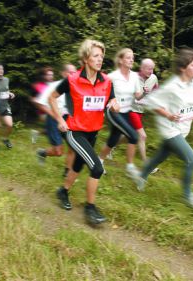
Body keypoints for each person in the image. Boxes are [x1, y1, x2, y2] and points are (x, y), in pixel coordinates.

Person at [48, 39, 119, 224]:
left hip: (93, 131)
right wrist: (58, 120)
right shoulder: (72, 80)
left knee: (78, 166)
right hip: (74, 131)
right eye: (96, 56)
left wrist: (114, 104)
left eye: (102, 56)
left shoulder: (107, 81)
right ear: (86, 58)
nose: (100, 59)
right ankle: (90, 208)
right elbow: (52, 98)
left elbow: (112, 100)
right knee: (96, 167)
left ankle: (62, 191)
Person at [134, 48, 193, 208]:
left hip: (183, 129)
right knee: (191, 160)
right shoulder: (173, 86)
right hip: (169, 129)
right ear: (183, 68)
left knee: (160, 156)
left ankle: (141, 176)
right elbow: (152, 102)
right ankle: (188, 196)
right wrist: (168, 115)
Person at [99, 48, 141, 178]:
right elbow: (102, 93)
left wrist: (145, 92)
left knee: (113, 139)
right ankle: (130, 167)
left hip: (126, 111)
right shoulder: (112, 77)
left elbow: (138, 95)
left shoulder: (135, 76)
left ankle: (99, 161)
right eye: (128, 57)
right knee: (134, 136)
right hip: (113, 111)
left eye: (132, 58)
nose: (131, 60)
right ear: (121, 60)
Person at [35, 63, 77, 177]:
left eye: (75, 72)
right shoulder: (54, 86)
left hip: (69, 118)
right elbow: (41, 104)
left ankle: (67, 172)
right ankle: (42, 152)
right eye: (71, 72)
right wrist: (55, 116)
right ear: (64, 73)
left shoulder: (76, 87)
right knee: (58, 152)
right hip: (54, 119)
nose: (74, 75)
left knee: (73, 146)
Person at [129, 58, 159, 173]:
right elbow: (132, 95)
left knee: (130, 136)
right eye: (148, 69)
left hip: (140, 111)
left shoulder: (154, 78)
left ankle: (111, 145)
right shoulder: (133, 78)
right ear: (141, 68)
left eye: (152, 69)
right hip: (130, 109)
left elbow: (156, 91)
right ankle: (147, 165)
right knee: (142, 136)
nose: (151, 71)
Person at [30, 67, 54, 143]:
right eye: (48, 75)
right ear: (44, 76)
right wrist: (39, 104)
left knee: (50, 129)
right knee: (53, 127)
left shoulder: (54, 85)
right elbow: (32, 99)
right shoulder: (38, 86)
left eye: (52, 75)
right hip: (42, 111)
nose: (51, 76)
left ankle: (36, 133)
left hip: (53, 109)